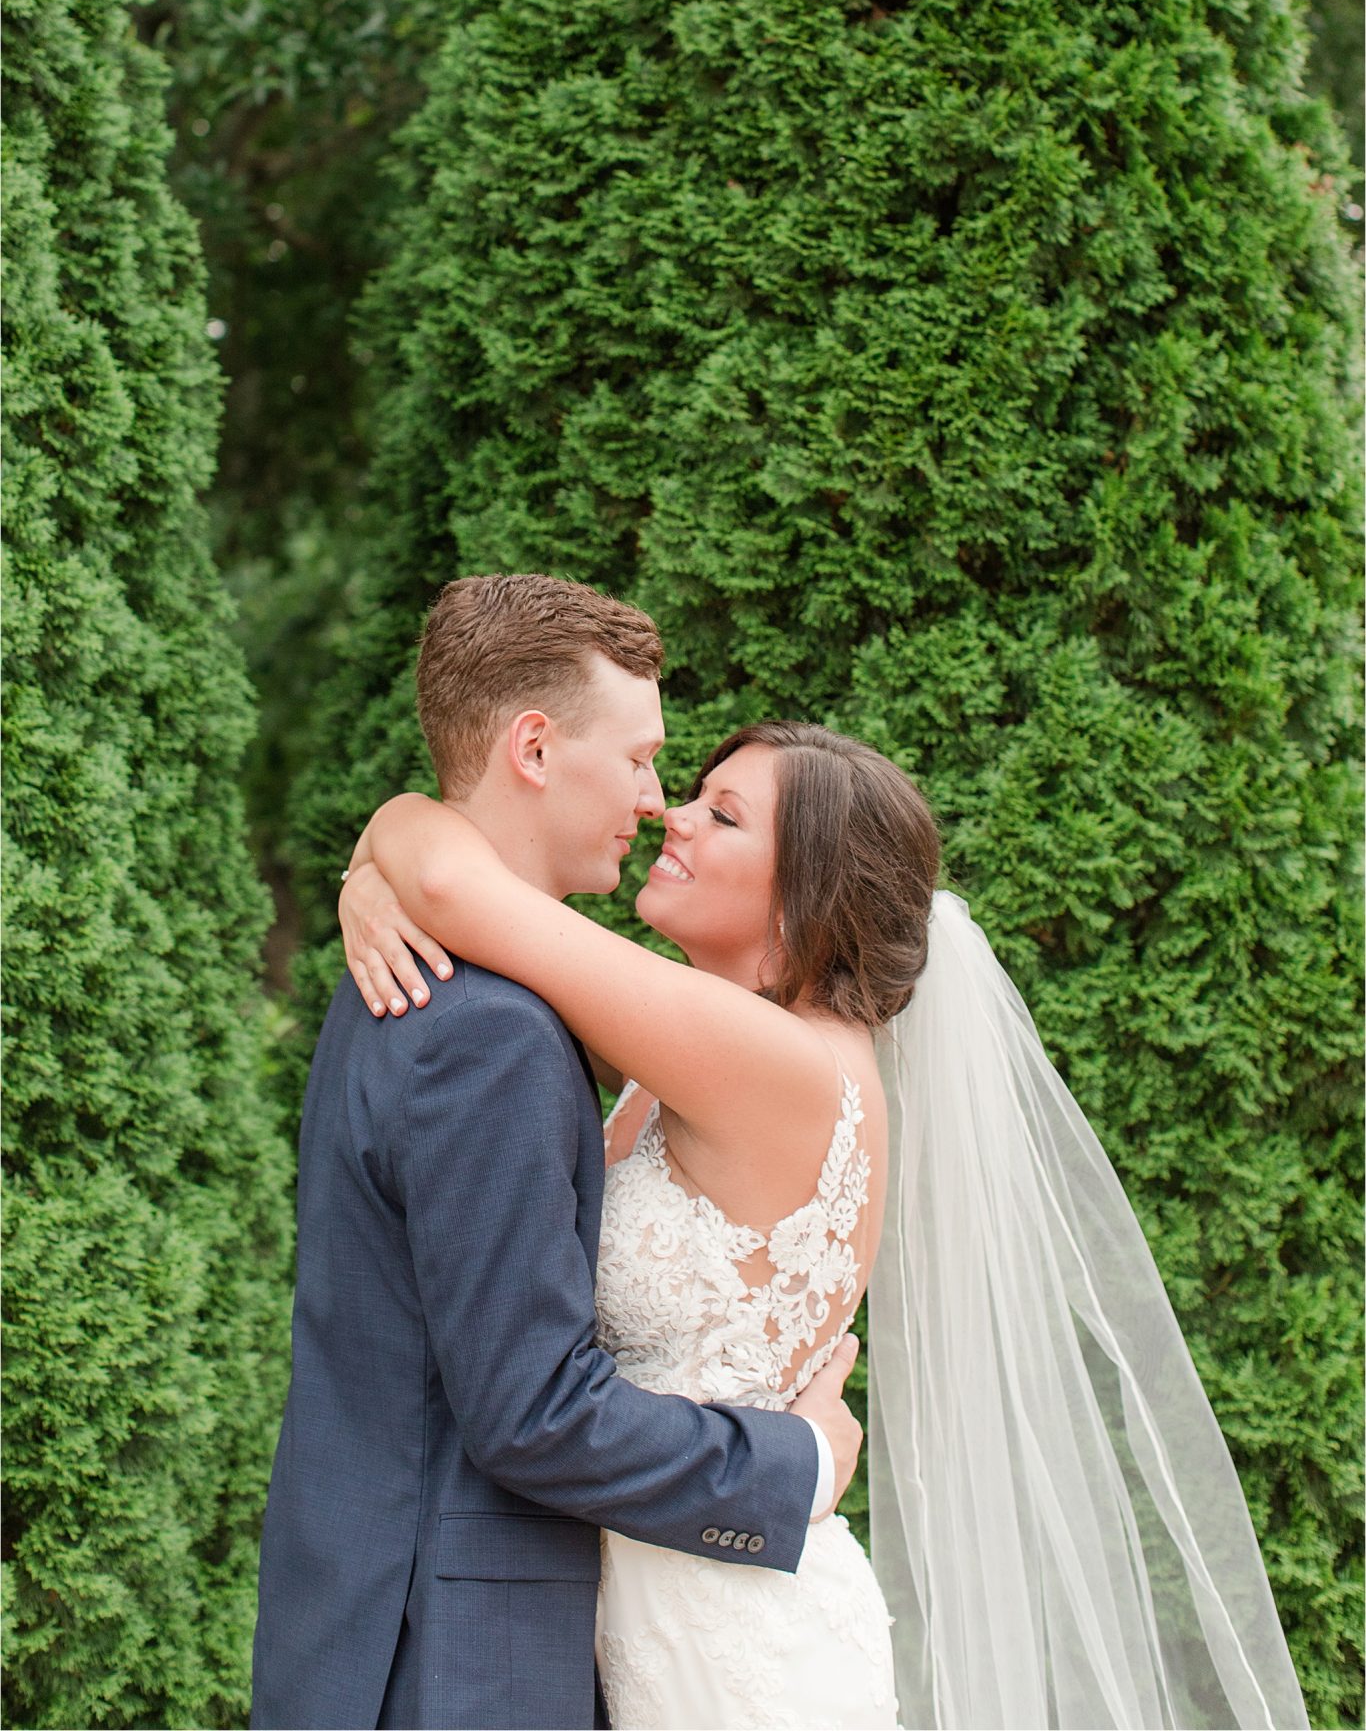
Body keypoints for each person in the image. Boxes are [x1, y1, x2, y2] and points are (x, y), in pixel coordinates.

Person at [344, 702, 1310, 1729]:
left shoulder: (774, 1063)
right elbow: (448, 886)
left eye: (721, 815)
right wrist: (372, 881)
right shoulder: (718, 1039)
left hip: (738, 1640)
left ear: (805, 900)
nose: (669, 815)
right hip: (668, 1597)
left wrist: (378, 855)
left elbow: (448, 877)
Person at [250, 576, 864, 1731]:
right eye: (639, 758)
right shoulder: (487, 1028)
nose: (654, 799)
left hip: (384, 1614)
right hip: (446, 1662)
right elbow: (530, 1410)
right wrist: (791, 1467)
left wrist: (385, 840)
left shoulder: (406, 957)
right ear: (533, 746)